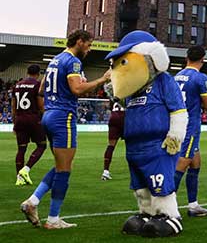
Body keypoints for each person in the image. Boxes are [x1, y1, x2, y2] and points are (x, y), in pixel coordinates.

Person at [20, 30, 111, 229]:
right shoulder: (73, 62)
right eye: (89, 44)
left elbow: (42, 90)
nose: (89, 48)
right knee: (64, 170)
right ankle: (52, 219)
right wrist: (103, 79)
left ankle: (33, 202)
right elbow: (77, 90)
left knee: (62, 166)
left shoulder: (55, 60)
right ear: (79, 41)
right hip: (63, 117)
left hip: (50, 116)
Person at [108, 30, 188, 237]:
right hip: (134, 146)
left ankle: (169, 216)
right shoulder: (132, 88)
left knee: (159, 182)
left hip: (157, 144)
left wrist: (175, 135)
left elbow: (178, 110)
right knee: (140, 184)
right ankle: (146, 212)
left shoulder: (164, 81)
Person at [173, 45, 207, 217]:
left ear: (187, 58)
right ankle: (166, 206)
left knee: (195, 162)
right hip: (189, 125)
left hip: (177, 123)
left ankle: (193, 205)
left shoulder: (177, 76)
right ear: (203, 59)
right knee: (182, 163)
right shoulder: (200, 78)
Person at [13, 65, 47, 186]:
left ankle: (19, 178)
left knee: (21, 149)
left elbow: (13, 104)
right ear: (38, 74)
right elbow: (40, 105)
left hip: (20, 119)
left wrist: (14, 121)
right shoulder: (37, 85)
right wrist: (45, 117)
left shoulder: (17, 85)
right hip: (33, 119)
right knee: (42, 146)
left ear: (27, 72)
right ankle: (26, 169)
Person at [101, 98, 124, 181]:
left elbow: (110, 107)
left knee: (111, 145)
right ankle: (138, 171)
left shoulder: (114, 95)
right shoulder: (129, 91)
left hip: (113, 117)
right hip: (124, 116)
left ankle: (105, 172)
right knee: (132, 145)